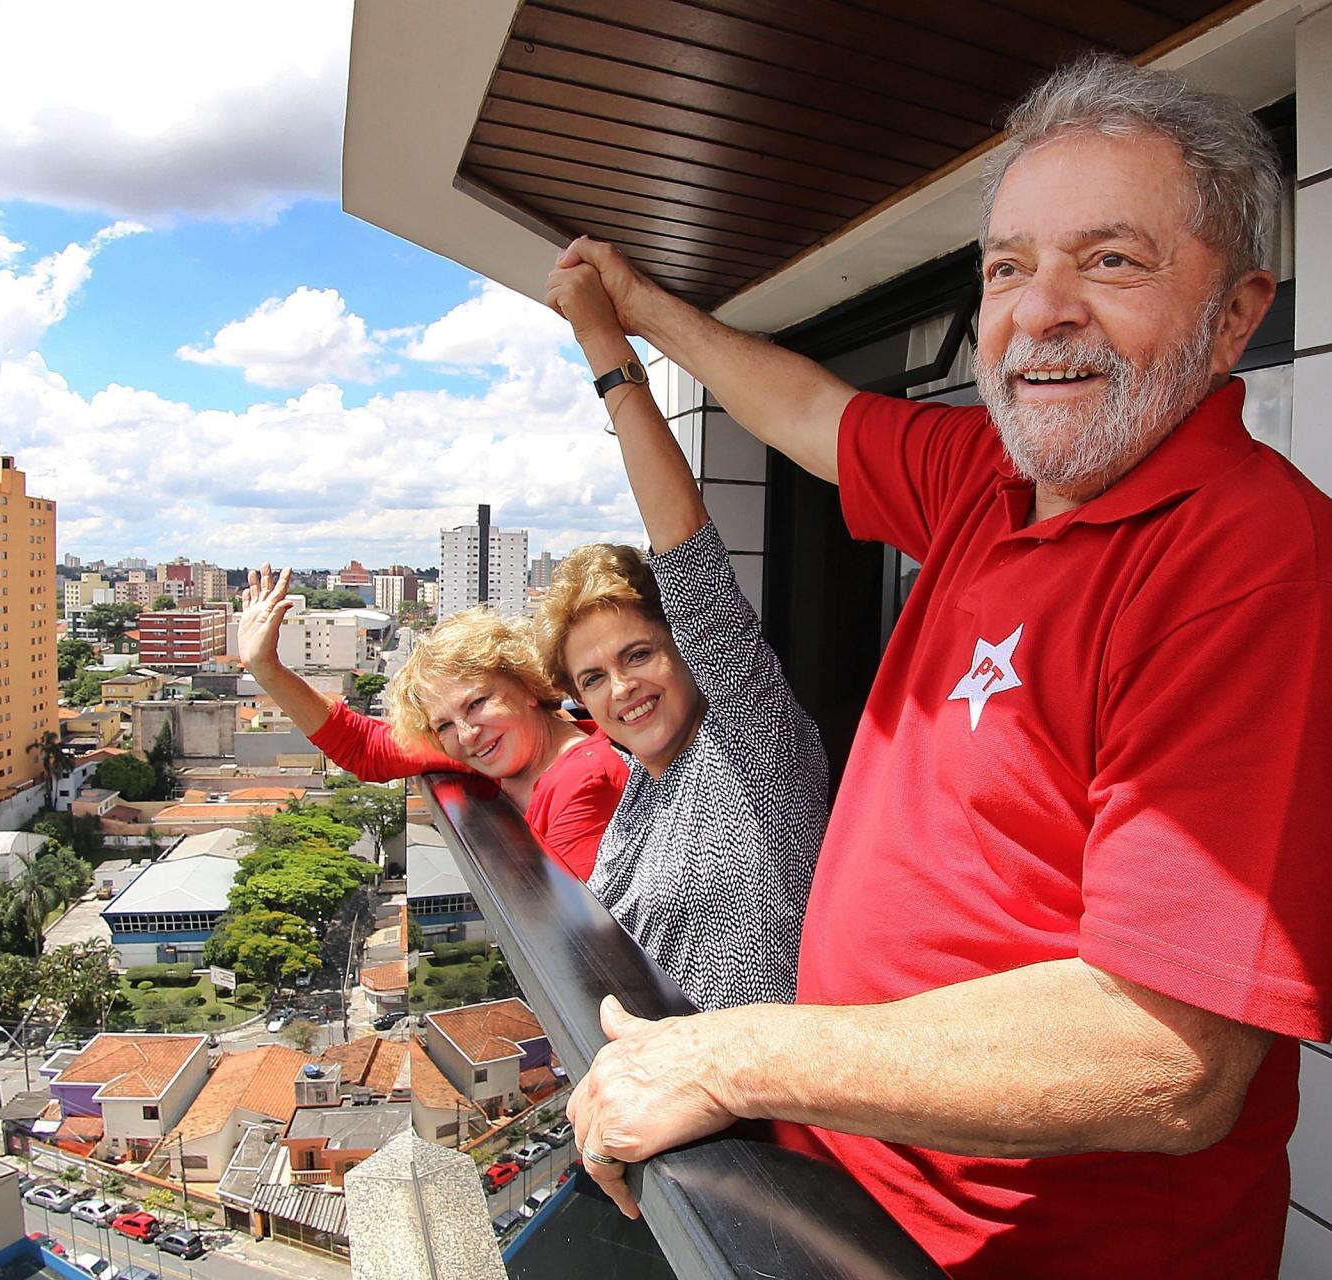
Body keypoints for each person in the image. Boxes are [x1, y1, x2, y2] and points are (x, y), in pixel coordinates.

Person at [553, 55, 1332, 1280]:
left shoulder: (1249, 558)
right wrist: (638, 314)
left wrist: (731, 1052)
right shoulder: (992, 476)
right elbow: (804, 409)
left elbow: (1165, 1056)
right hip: (837, 1190)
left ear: (1235, 314)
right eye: (1007, 267)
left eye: (1109, 259)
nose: (1041, 309)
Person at [536, 291, 828, 1013]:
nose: (622, 688)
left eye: (639, 654)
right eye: (594, 677)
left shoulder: (753, 748)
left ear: (687, 646)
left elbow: (688, 554)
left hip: (769, 1113)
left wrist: (607, 354)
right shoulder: (641, 788)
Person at [236, 565, 627, 880]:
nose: (467, 733)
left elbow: (584, 945)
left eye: (477, 703)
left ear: (526, 684)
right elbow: (365, 748)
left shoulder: (583, 781)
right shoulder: (502, 748)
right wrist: (266, 669)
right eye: (443, 725)